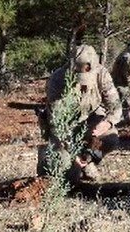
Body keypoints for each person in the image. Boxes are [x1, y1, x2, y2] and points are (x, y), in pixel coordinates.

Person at [42, 44, 122, 182]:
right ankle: (59, 161)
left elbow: (115, 106)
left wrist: (107, 123)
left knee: (110, 138)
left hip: (89, 119)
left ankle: (88, 160)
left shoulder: (102, 74)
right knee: (67, 175)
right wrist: (72, 152)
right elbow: (56, 122)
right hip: (64, 128)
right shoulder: (57, 80)